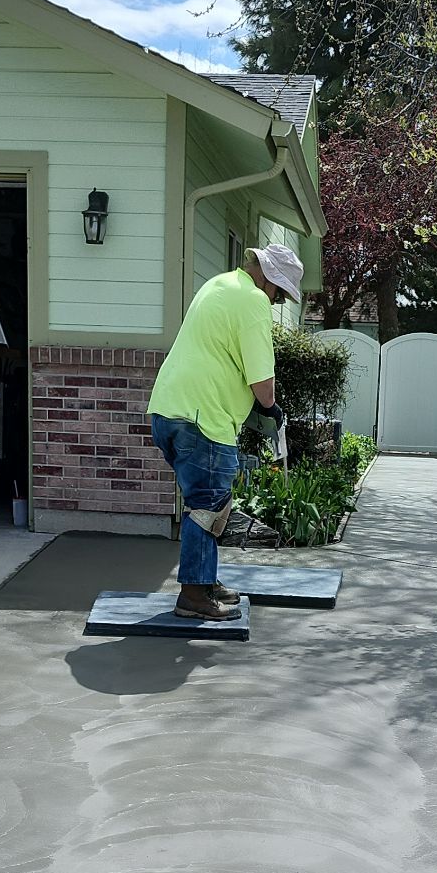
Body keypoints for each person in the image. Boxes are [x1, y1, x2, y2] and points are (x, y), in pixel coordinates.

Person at [148, 242, 304, 620]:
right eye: (280, 293)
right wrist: (271, 408)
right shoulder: (252, 301)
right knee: (208, 509)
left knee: (210, 503)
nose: (277, 300)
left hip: (168, 411)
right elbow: (262, 383)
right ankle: (193, 597)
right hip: (204, 420)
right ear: (270, 280)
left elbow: (219, 355)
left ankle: (203, 580)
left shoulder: (218, 284)